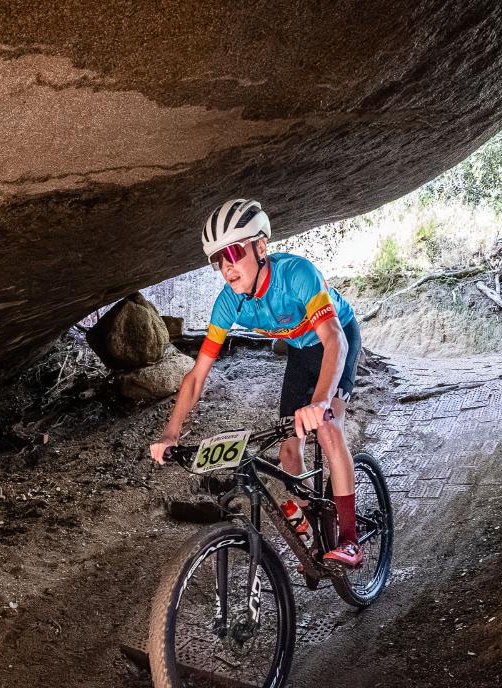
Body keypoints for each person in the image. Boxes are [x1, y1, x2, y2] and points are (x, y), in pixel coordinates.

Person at [148, 198, 365, 568]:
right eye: (219, 259)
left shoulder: (297, 274)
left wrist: (320, 402)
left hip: (337, 337)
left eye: (234, 252)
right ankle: (314, 525)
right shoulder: (228, 304)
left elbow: (334, 341)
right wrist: (171, 432)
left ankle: (349, 539)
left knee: (327, 428)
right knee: (286, 449)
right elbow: (197, 374)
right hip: (300, 349)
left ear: (260, 247)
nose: (227, 267)